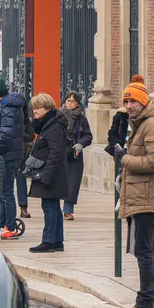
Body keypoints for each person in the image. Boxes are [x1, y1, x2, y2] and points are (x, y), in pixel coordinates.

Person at [115, 79, 154, 308]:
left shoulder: (152, 125)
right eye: (126, 101)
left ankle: (145, 303)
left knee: (144, 251)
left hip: (148, 195)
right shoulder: (143, 123)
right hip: (143, 194)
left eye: (133, 101)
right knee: (151, 249)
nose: (129, 105)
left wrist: (125, 158)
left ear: (143, 102)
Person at [26, 93, 71, 253]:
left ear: (48, 109)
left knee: (50, 206)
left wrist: (47, 175)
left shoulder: (53, 126)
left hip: (51, 173)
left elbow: (56, 152)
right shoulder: (49, 124)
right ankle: (56, 240)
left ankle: (49, 240)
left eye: (39, 108)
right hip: (51, 172)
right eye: (34, 108)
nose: (35, 112)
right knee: (52, 206)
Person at [0, 78, 32, 240]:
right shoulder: (13, 106)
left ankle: (10, 227)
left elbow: (5, 135)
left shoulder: (8, 108)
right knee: (5, 191)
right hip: (13, 153)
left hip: (8, 155)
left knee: (6, 192)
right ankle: (5, 224)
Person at [61, 92, 93, 221]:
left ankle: (68, 210)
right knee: (58, 181)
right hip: (61, 152)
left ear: (77, 104)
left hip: (75, 153)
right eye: (68, 100)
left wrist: (81, 144)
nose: (69, 103)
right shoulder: (59, 115)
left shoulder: (81, 118)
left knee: (72, 183)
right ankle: (54, 208)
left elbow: (88, 136)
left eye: (72, 101)